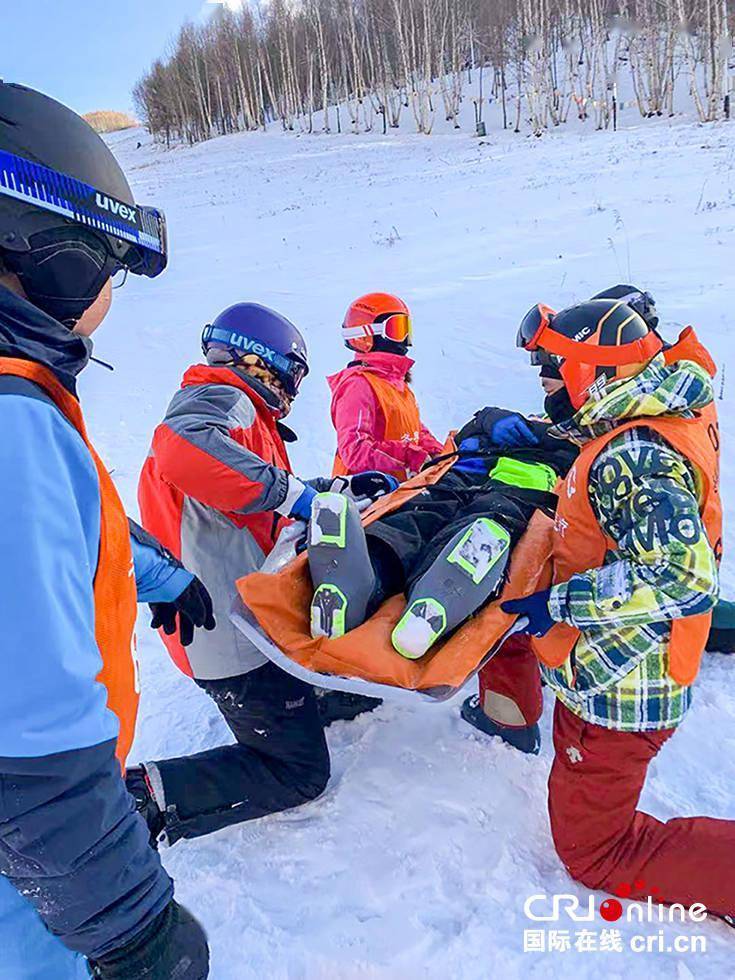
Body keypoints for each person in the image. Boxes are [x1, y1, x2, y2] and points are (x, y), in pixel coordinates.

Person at [0, 83, 212, 979]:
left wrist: (163, 579)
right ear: (52, 261)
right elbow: (27, 748)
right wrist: (132, 927)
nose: (107, 299)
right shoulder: (12, 422)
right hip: (28, 873)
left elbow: (74, 529)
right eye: (106, 270)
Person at [503, 297, 735, 916]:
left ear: (596, 373)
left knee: (594, 850)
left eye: (554, 371)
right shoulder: (658, 407)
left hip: (626, 686)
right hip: (628, 664)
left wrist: (559, 602)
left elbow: (684, 576)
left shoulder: (631, 455)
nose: (547, 385)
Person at [132, 302, 394, 845]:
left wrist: (331, 490)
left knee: (339, 680)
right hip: (229, 638)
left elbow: (258, 497)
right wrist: (295, 495)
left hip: (245, 616)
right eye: (292, 375)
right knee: (298, 772)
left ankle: (313, 696)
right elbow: (184, 447)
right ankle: (144, 798)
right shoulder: (222, 399)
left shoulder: (246, 415)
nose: (292, 391)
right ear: (263, 362)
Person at [307, 409, 577, 661]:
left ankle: (416, 592)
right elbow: (466, 431)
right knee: (420, 515)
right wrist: (489, 418)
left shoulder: (569, 434)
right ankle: (379, 580)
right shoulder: (502, 422)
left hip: (517, 484)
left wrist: (505, 423)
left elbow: (573, 446)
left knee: (480, 522)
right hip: (461, 476)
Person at [329, 292, 443, 481]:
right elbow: (355, 450)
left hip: (400, 493)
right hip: (368, 496)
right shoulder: (358, 385)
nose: (404, 338)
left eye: (406, 328)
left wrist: (437, 452)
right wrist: (409, 456)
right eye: (396, 329)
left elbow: (413, 430)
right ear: (366, 334)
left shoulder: (396, 382)